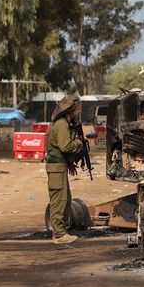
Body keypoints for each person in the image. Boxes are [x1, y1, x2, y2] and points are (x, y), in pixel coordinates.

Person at [45, 94, 84, 245]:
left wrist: (70, 163)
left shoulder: (65, 123)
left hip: (60, 166)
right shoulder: (61, 124)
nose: (79, 111)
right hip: (56, 167)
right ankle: (59, 234)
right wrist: (78, 143)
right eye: (77, 108)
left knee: (66, 199)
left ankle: (62, 231)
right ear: (71, 110)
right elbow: (65, 146)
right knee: (59, 200)